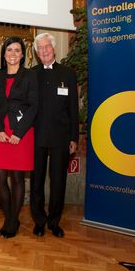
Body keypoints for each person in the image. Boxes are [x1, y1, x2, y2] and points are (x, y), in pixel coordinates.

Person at [0, 36, 38, 238]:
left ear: (22, 54)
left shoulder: (29, 76)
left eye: (17, 50)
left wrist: (18, 133)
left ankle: (11, 222)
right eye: (9, 50)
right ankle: (11, 217)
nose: (13, 54)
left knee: (17, 177)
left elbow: (34, 106)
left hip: (22, 132)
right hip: (1, 132)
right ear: (4, 53)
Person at [30, 32, 79, 238]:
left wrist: (74, 138)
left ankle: (54, 222)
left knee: (58, 182)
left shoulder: (67, 73)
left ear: (53, 48)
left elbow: (73, 109)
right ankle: (39, 221)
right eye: (40, 48)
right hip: (37, 136)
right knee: (36, 181)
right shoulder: (31, 74)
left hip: (61, 136)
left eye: (46, 47)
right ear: (36, 53)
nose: (44, 51)